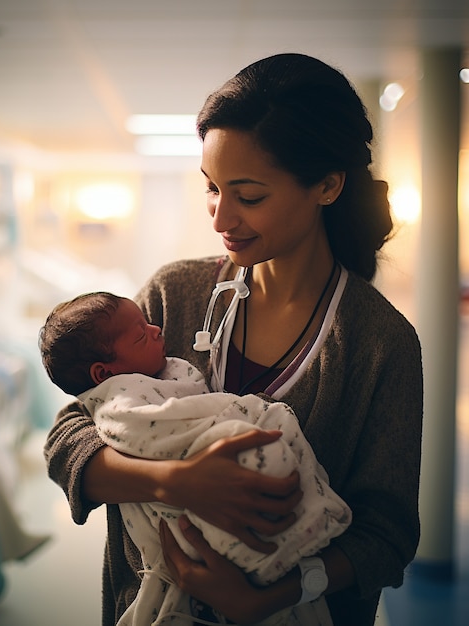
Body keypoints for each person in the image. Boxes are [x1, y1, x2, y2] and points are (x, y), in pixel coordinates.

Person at [44, 52, 423, 626]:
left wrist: (271, 596)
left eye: (249, 196)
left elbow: (387, 535)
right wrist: (177, 482)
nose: (221, 218)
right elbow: (68, 438)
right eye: (211, 188)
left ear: (326, 185)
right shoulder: (174, 295)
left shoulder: (378, 345)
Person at [39, 292, 351, 625]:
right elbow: (67, 435)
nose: (157, 329)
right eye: (142, 335)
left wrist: (262, 600)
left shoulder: (376, 338)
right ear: (104, 373)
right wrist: (169, 481)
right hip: (176, 554)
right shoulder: (166, 296)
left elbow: (387, 533)